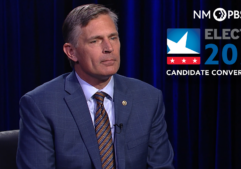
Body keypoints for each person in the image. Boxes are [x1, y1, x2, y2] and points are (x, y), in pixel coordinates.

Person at [16, 4, 174, 169]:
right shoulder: (41, 105)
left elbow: (161, 166)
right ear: (71, 52)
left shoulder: (148, 98)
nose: (109, 48)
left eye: (113, 37)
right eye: (95, 41)